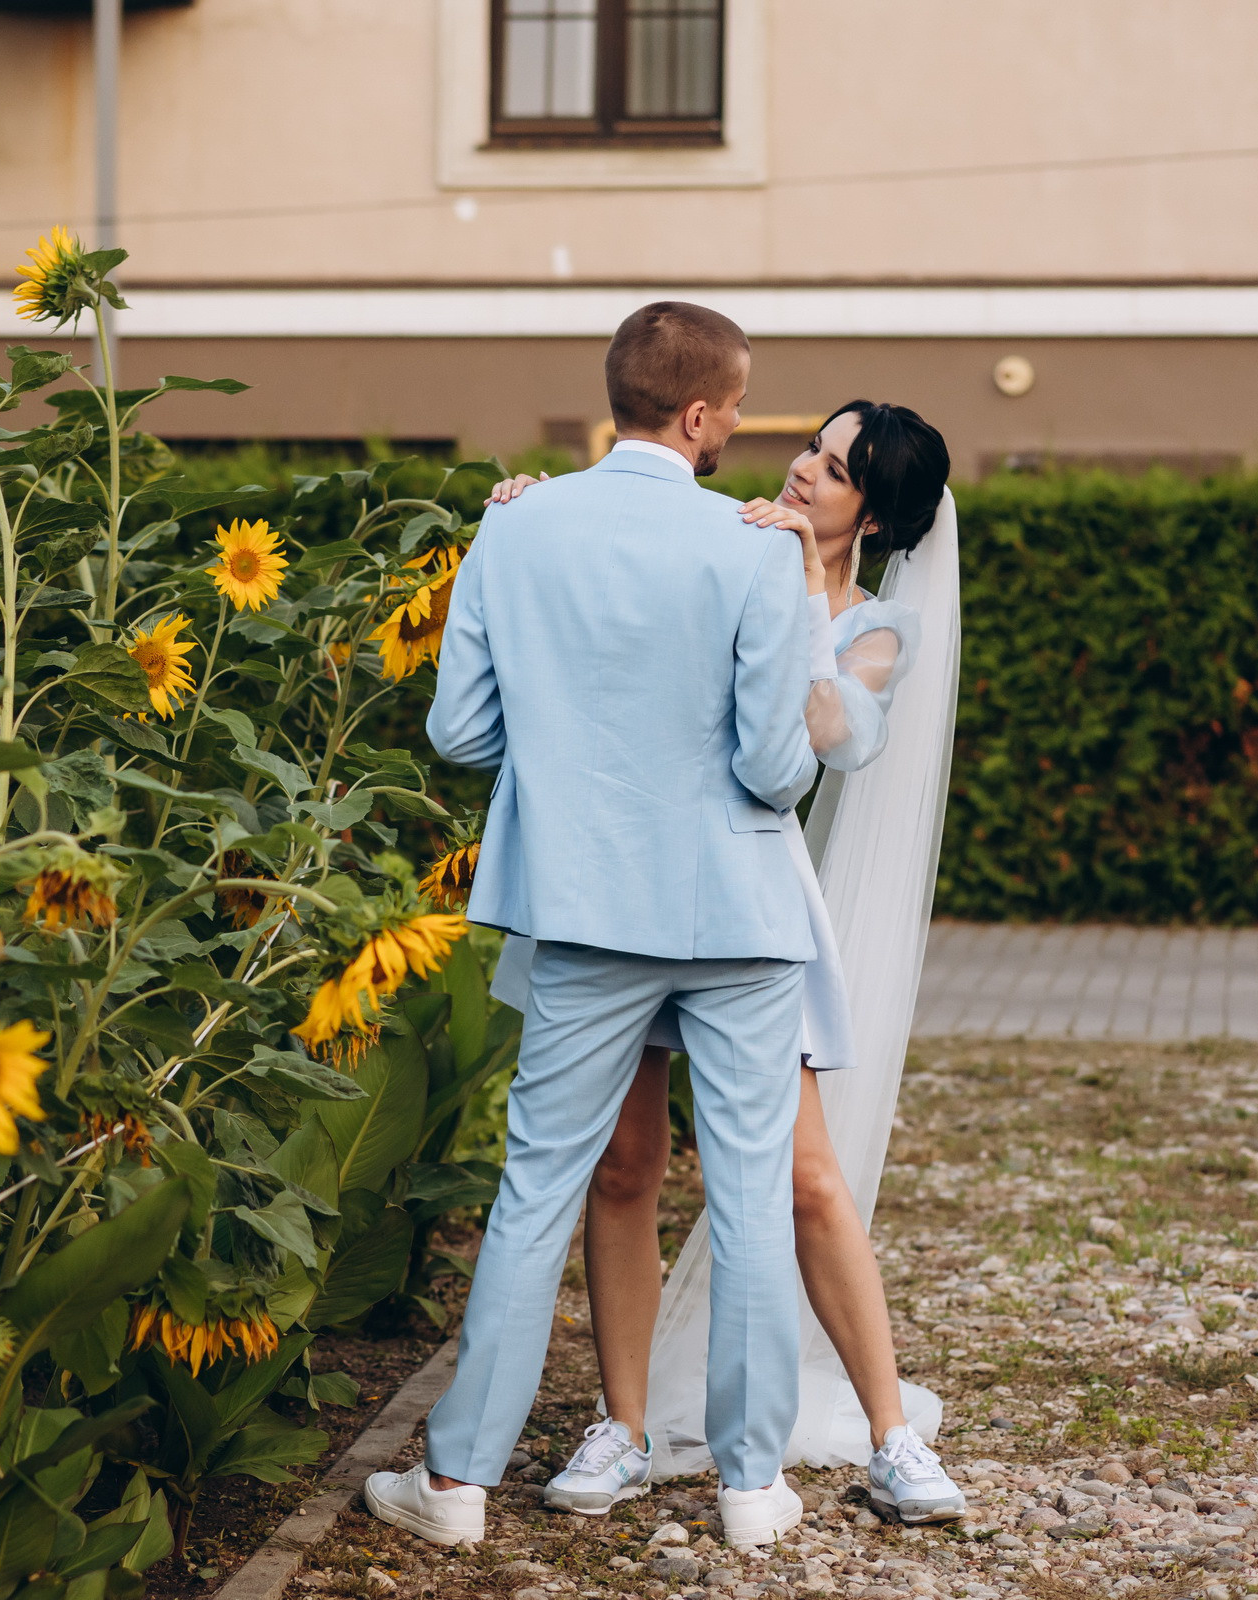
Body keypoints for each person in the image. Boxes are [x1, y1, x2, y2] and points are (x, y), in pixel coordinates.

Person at [362, 302, 826, 1552]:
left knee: (534, 1192)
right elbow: (780, 771)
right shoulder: (756, 545)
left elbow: (460, 732)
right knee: (744, 1198)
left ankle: (455, 1485)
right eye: (736, 409)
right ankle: (746, 1486)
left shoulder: (515, 525)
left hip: (580, 905)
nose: (740, 429)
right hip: (737, 912)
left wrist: (567, 759)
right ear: (695, 412)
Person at [486, 402, 966, 1526]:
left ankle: (892, 1437)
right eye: (811, 447)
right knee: (623, 1162)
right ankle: (623, 1426)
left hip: (746, 910)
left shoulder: (870, 630)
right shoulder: (721, 539)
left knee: (803, 1177)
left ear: (878, 516)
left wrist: (798, 583)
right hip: (625, 888)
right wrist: (528, 515)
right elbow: (605, 589)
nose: (804, 470)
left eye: (836, 468)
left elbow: (822, 742)